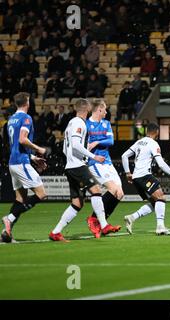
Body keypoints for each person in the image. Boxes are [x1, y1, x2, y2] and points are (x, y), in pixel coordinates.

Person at [49, 99, 119, 242]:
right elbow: (75, 145)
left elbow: (65, 147)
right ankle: (104, 225)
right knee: (96, 191)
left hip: (71, 166)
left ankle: (56, 232)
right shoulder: (79, 123)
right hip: (77, 166)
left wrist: (70, 159)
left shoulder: (70, 124)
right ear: (86, 109)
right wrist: (92, 156)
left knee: (77, 203)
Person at [122, 123, 170, 235]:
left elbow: (124, 156)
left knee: (155, 201)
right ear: (156, 132)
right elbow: (161, 164)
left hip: (136, 177)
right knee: (161, 197)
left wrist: (128, 173)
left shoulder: (139, 142)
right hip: (144, 175)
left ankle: (132, 217)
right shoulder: (153, 143)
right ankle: (160, 227)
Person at [1, 93, 48, 243]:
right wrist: (38, 149)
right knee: (41, 194)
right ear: (27, 103)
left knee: (20, 199)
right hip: (21, 163)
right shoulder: (26, 118)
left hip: (13, 162)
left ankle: (6, 233)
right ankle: (9, 218)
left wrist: (33, 158)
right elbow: (22, 139)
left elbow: (15, 144)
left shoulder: (11, 119)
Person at [85, 100, 124, 236]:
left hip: (107, 162)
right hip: (95, 162)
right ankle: (95, 220)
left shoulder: (106, 123)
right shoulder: (86, 124)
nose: (106, 112)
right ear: (99, 110)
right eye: (105, 110)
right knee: (113, 189)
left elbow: (111, 141)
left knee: (120, 193)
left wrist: (96, 141)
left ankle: (100, 222)